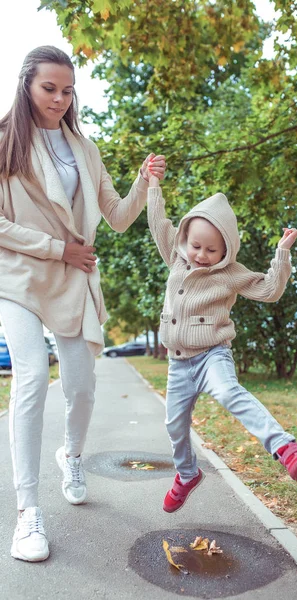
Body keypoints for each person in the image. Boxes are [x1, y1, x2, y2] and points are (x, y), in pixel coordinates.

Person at [0, 45, 165, 562]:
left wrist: (143, 180)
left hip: (73, 280)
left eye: (67, 90)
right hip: (20, 276)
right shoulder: (4, 143)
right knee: (30, 376)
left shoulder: (85, 149)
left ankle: (70, 455)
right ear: (27, 84)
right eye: (49, 87)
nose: (59, 98)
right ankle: (28, 512)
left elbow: (115, 217)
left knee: (82, 386)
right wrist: (57, 248)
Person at [146, 167, 297, 514]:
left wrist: (282, 253)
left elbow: (270, 290)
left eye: (211, 249)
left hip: (212, 356)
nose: (201, 255)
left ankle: (287, 449)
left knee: (228, 391)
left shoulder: (230, 274)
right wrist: (153, 185)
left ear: (226, 250)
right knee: (174, 426)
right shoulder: (176, 260)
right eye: (196, 246)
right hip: (178, 363)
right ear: (185, 241)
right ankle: (186, 474)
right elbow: (158, 223)